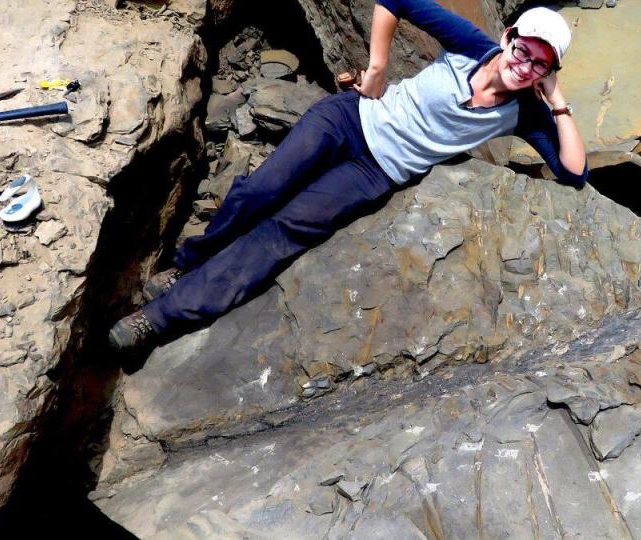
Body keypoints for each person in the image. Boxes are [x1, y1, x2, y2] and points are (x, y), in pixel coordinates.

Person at [108, 0, 588, 350]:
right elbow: (396, 1)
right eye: (523, 52)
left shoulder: (525, 112)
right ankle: (189, 264)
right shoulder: (471, 45)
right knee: (262, 189)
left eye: (540, 66)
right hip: (349, 118)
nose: (524, 67)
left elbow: (573, 174)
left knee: (283, 233)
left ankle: (160, 318)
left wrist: (557, 100)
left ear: (548, 73)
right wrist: (377, 68)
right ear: (508, 37)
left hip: (374, 170)